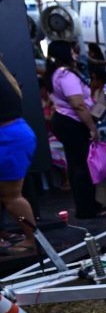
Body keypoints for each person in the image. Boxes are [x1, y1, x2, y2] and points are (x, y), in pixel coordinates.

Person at [43, 41, 106, 219]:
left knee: (76, 165)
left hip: (65, 121)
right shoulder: (66, 75)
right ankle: (87, 209)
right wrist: (92, 127)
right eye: (72, 51)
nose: (76, 54)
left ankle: (87, 205)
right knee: (83, 167)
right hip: (73, 123)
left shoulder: (55, 73)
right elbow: (78, 105)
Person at [0, 60, 39, 254]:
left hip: (8, 139)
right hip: (15, 134)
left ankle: (32, 238)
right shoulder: (4, 73)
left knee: (12, 197)